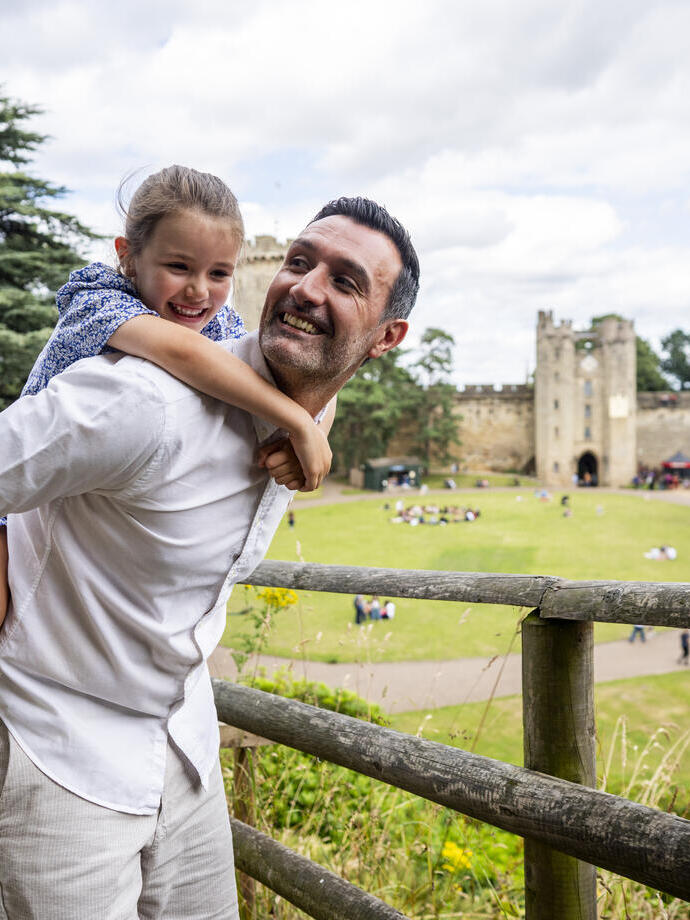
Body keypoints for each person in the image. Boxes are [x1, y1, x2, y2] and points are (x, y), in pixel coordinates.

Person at [0, 194, 419, 917]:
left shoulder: (312, 410)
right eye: (298, 261)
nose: (307, 287)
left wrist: (306, 422)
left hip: (187, 751)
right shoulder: (143, 404)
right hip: (57, 754)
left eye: (345, 281)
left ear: (385, 338)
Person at [0, 165, 333, 628]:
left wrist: (317, 428)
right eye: (178, 267)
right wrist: (299, 424)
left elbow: (286, 370)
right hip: (16, 503)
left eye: (219, 273)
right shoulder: (100, 297)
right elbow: (184, 354)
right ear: (128, 257)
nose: (198, 290)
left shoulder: (218, 325)